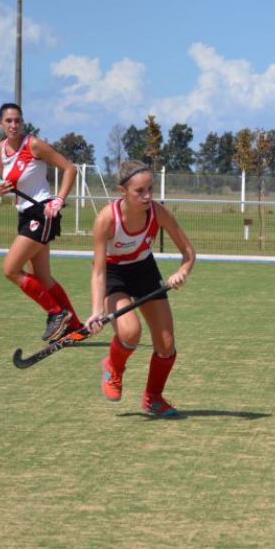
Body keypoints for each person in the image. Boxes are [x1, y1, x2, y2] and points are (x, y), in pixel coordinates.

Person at [85, 160, 196, 416]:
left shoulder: (158, 213)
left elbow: (189, 253)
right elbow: (99, 271)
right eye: (139, 191)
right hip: (114, 274)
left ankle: (153, 398)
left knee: (166, 345)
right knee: (130, 332)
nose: (147, 196)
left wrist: (182, 272)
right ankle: (113, 367)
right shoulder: (106, 219)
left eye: (150, 189)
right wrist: (95, 311)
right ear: (122, 191)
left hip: (144, 270)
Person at [0, 102, 84, 342]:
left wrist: (59, 200)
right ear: (0, 124)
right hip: (24, 213)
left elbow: (70, 169)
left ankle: (56, 313)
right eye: (8, 121)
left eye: (18, 120)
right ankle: (74, 326)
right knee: (43, 277)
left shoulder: (33, 145)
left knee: (10, 269)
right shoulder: (0, 148)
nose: (14, 125)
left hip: (42, 212)